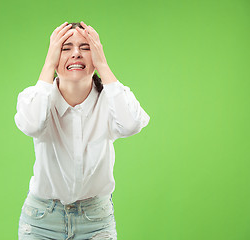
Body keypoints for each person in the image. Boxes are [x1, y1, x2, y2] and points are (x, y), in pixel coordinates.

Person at [14, 21, 150, 240]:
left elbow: (131, 124)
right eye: (65, 48)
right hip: (41, 221)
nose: (76, 54)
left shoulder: (111, 100)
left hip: (95, 220)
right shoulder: (36, 97)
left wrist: (104, 66)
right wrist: (49, 64)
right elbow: (32, 125)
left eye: (85, 48)